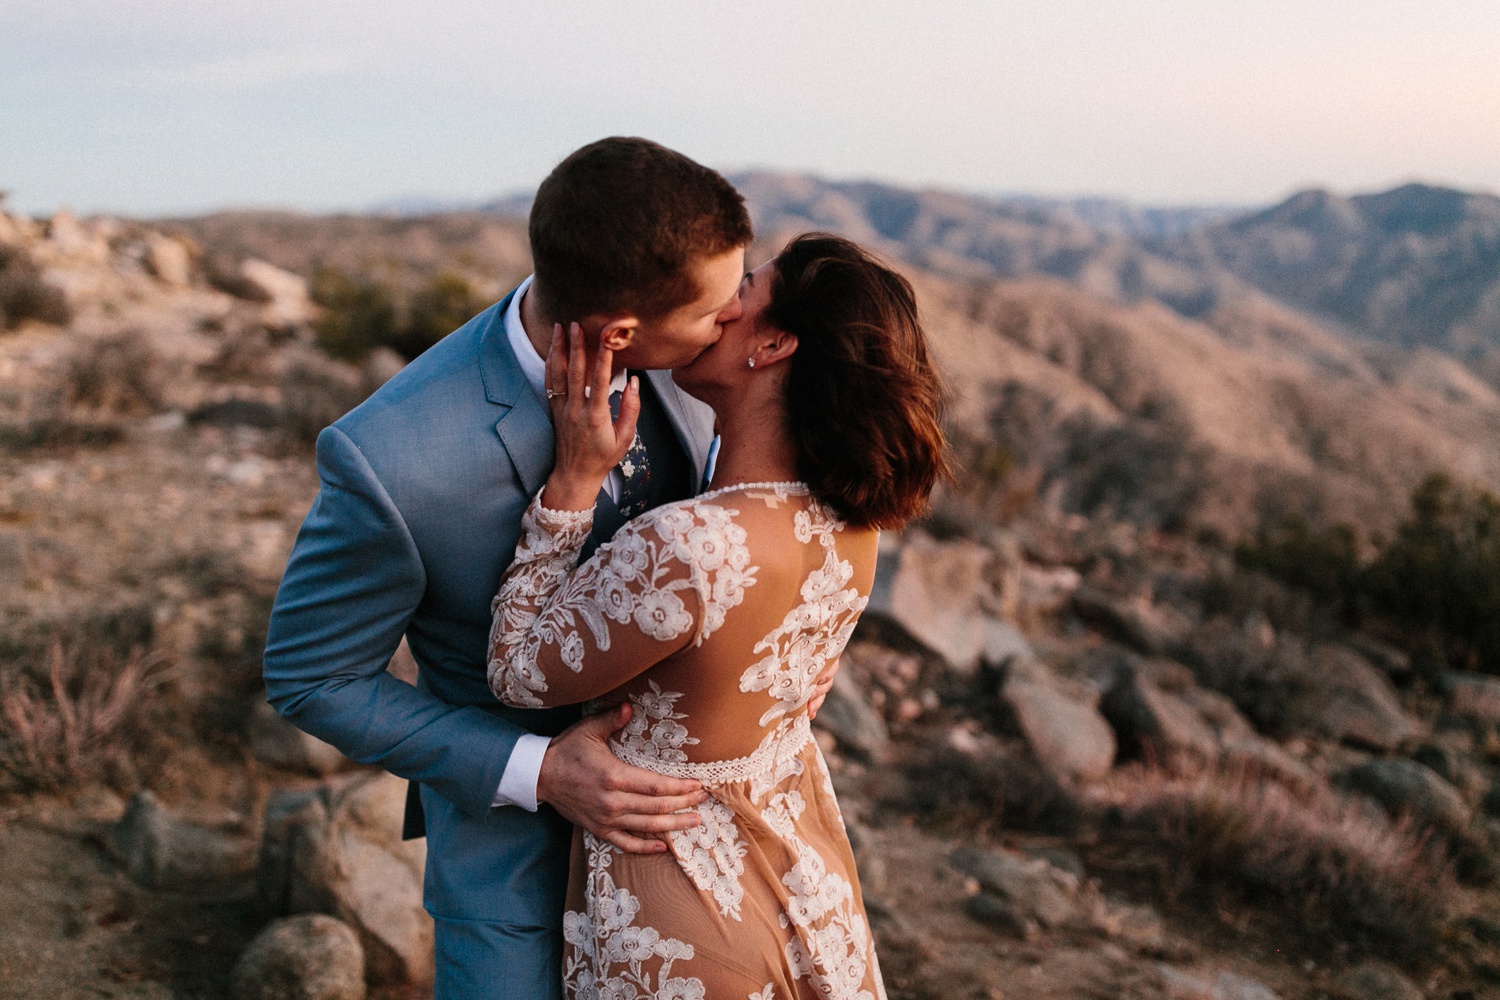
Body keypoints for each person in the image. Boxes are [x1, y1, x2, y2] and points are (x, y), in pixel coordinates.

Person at [263, 137, 835, 998]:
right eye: (717, 308)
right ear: (621, 333)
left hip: (698, 847)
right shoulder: (392, 458)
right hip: (513, 871)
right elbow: (311, 677)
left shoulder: (700, 372)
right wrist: (536, 770)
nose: (734, 321)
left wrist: (783, 658)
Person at [487, 233, 951, 999]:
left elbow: (515, 672)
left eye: (746, 291)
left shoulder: (690, 545)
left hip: (678, 898)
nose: (720, 305)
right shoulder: (855, 524)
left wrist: (572, 483)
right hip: (798, 869)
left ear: (772, 344)